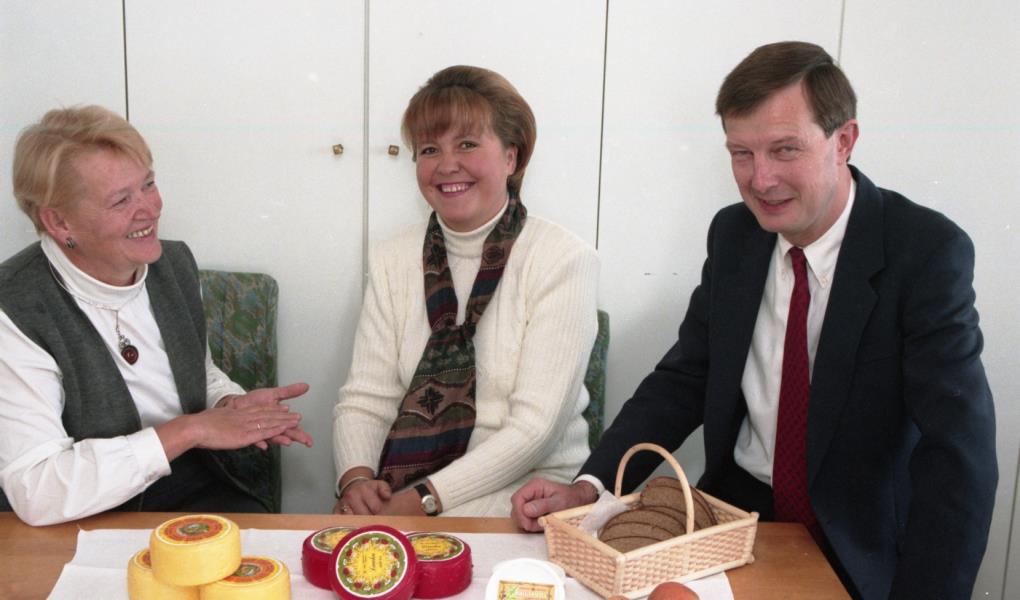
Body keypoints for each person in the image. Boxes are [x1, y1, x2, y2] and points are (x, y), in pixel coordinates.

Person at [511, 41, 997, 599]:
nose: (760, 180)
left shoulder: (924, 251)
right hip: (737, 521)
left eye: (784, 150)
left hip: (858, 540)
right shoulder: (735, 235)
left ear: (844, 141)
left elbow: (958, 455)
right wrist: (590, 487)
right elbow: (685, 379)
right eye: (741, 153)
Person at [0, 106, 313, 526]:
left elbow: (199, 372)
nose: (149, 209)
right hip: (76, 518)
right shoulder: (14, 307)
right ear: (59, 221)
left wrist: (227, 402)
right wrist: (189, 431)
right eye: (121, 200)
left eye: (148, 184)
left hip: (191, 488)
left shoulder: (175, 264)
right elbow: (37, 490)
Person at [332, 65, 598, 518]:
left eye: (467, 144)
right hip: (404, 490)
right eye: (429, 149)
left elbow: (535, 429)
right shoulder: (392, 257)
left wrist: (419, 503)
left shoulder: (562, 258)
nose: (446, 165)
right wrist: (357, 483)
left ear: (511, 157)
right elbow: (367, 397)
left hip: (526, 493)